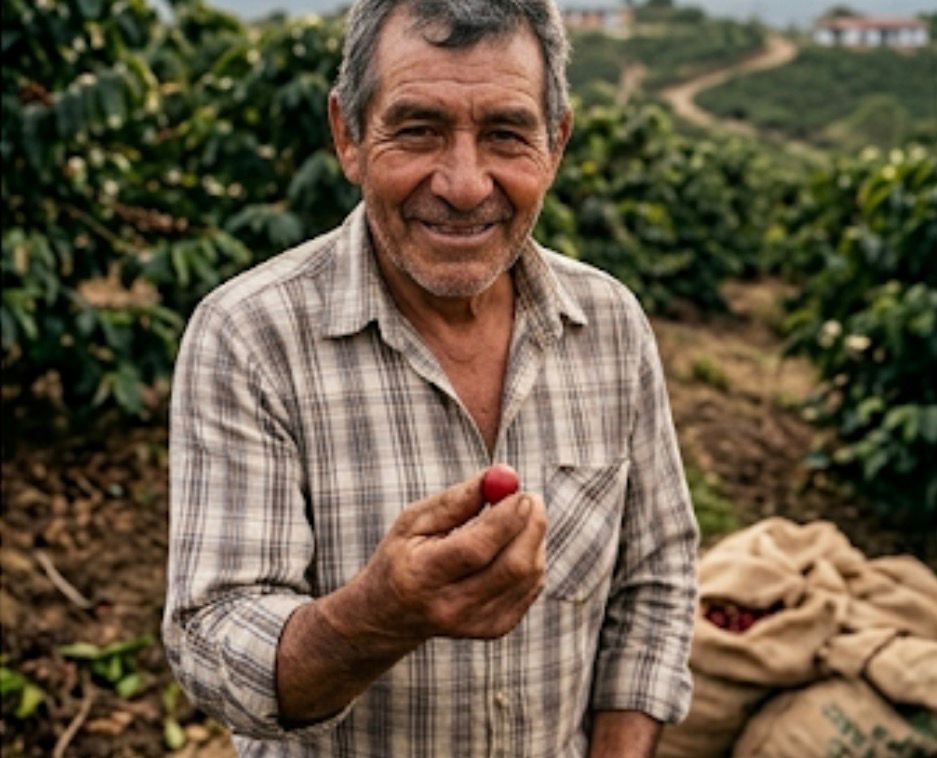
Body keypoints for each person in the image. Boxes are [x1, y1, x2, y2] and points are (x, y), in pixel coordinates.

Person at [162, 0, 699, 755]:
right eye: (417, 130)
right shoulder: (251, 335)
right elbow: (212, 642)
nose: (463, 183)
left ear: (556, 143)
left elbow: (655, 580)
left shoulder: (609, 324)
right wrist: (379, 613)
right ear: (348, 134)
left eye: (506, 134)